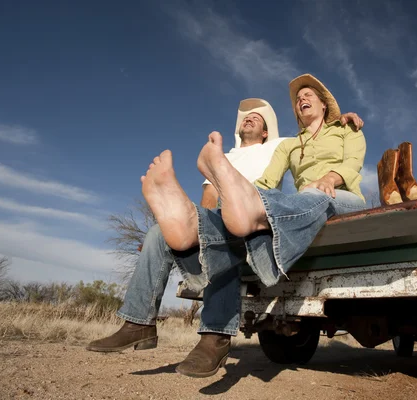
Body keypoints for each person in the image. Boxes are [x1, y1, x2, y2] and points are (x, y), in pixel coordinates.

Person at [86, 93, 364, 377]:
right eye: (298, 97)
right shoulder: (288, 146)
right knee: (167, 233)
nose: (301, 99)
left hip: (336, 197)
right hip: (249, 209)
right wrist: (203, 225)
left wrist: (333, 157)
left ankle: (215, 333)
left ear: (324, 105)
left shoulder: (338, 131)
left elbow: (352, 164)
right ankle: (138, 321)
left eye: (309, 95)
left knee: (306, 197)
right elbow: (266, 181)